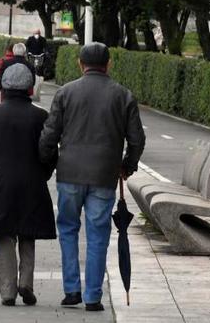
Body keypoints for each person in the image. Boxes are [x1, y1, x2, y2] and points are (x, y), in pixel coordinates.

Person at [39, 43, 146, 312]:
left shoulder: (65, 93)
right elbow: (137, 139)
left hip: (70, 174)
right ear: (108, 64)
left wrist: (48, 163)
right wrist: (127, 165)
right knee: (98, 235)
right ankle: (93, 296)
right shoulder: (123, 96)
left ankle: (71, 289)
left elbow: (49, 135)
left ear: (80, 64)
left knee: (68, 229)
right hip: (104, 176)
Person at [0, 64, 56, 307]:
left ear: (6, 87)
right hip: (33, 181)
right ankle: (26, 283)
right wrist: (44, 173)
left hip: (1, 182)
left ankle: (8, 290)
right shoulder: (40, 116)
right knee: (28, 233)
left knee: (5, 235)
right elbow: (49, 151)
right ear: (29, 87)